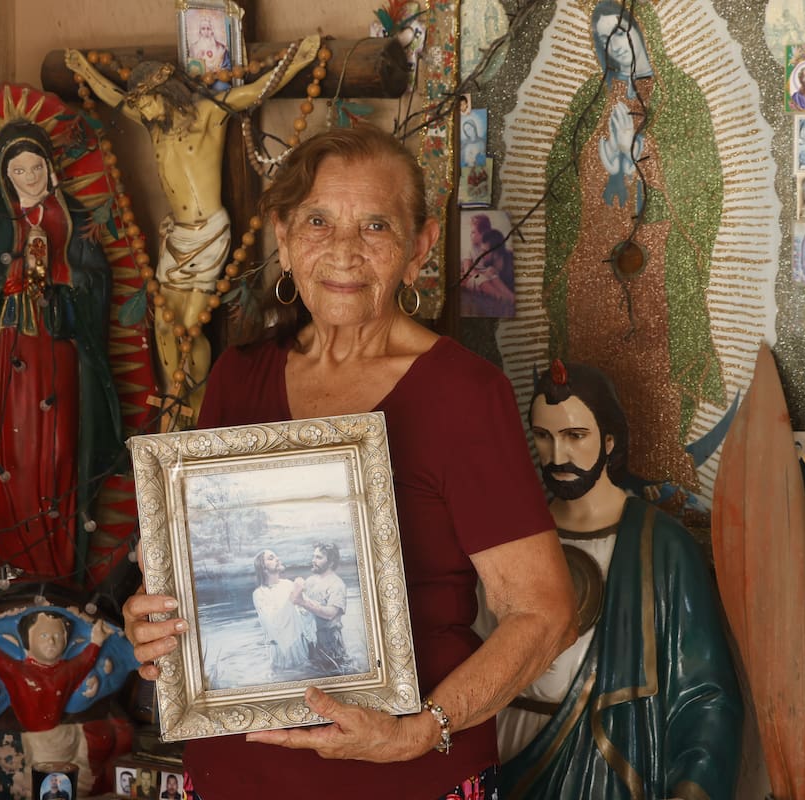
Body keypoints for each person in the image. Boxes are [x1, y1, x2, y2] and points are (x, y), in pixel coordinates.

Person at [121, 125, 577, 799]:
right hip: (235, 773)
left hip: (406, 776)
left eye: (375, 226)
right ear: (283, 236)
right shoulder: (236, 379)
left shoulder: (463, 394)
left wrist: (423, 729)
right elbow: (200, 575)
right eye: (317, 220)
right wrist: (156, 620)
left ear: (419, 247)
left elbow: (545, 613)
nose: (343, 250)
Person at [496, 361, 743, 799]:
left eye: (575, 436)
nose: (557, 456)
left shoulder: (663, 547)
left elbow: (706, 695)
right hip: (509, 757)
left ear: (609, 440)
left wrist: (693, 785)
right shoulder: (512, 537)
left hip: (612, 765)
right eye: (543, 436)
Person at [65, 37, 320, 424]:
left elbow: (252, 92)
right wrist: (83, 70)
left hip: (207, 234)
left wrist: (297, 62)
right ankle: (173, 395)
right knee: (166, 323)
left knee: (189, 329)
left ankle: (197, 402)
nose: (141, 108)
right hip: (178, 234)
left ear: (163, 92)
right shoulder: (154, 124)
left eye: (146, 99)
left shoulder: (207, 116)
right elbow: (115, 97)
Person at [0, 119, 124, 625]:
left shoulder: (74, 221)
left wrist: (63, 278)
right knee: (11, 456)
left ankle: (60, 569)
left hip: (59, 358)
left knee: (58, 452)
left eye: (36, 167)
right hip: (7, 359)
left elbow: (96, 283)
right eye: (18, 171)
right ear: (4, 175)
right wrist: (11, 276)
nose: (29, 178)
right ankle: (8, 568)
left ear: (50, 169)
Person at [543, 0, 724, 491]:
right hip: (595, 257)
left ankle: (661, 467)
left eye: (621, 33)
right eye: (603, 38)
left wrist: (644, 154)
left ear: (646, 33)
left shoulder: (679, 95)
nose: (614, 46)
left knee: (656, 363)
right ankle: (596, 478)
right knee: (595, 354)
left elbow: (703, 182)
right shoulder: (589, 101)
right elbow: (561, 189)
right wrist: (610, 168)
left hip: (660, 255)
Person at [0, 609, 108, 731]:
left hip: (58, 729)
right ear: (29, 639)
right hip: (21, 730)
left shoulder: (67, 670)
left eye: (57, 635)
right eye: (44, 635)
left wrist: (97, 642)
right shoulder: (20, 672)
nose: (51, 641)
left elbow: (84, 663)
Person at [251, 550, 314, 673]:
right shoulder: (259, 594)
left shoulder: (288, 584)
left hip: (299, 644)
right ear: (263, 568)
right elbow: (274, 622)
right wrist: (294, 594)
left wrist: (303, 603)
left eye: (276, 556)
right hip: (281, 650)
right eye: (271, 558)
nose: (277, 559)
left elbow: (305, 612)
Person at [294, 542, 350, 673]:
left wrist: (303, 603)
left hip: (329, 641)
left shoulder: (337, 585)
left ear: (330, 563)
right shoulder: (310, 581)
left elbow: (330, 613)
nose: (313, 561)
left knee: (332, 674)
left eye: (319, 558)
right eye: (314, 557)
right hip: (311, 640)